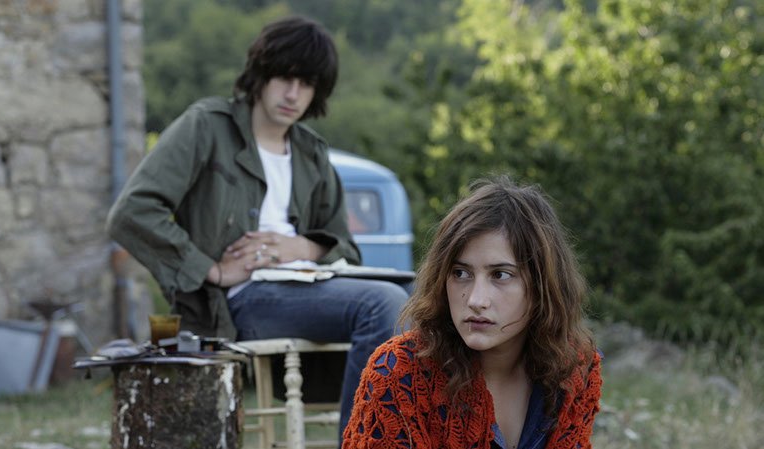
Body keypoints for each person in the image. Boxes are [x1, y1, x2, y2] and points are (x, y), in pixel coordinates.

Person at [106, 15, 408, 434]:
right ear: (261, 74)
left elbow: (345, 248)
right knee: (382, 302)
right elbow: (132, 212)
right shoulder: (207, 126)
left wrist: (300, 248)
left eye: (306, 83)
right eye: (285, 78)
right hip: (239, 300)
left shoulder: (311, 153)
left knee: (423, 298)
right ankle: (362, 442)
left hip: (310, 289)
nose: (293, 93)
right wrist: (211, 269)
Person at [342, 176, 602, 449]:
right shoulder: (398, 374)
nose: (477, 300)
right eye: (460, 273)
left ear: (542, 284)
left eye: (501, 275)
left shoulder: (574, 368)